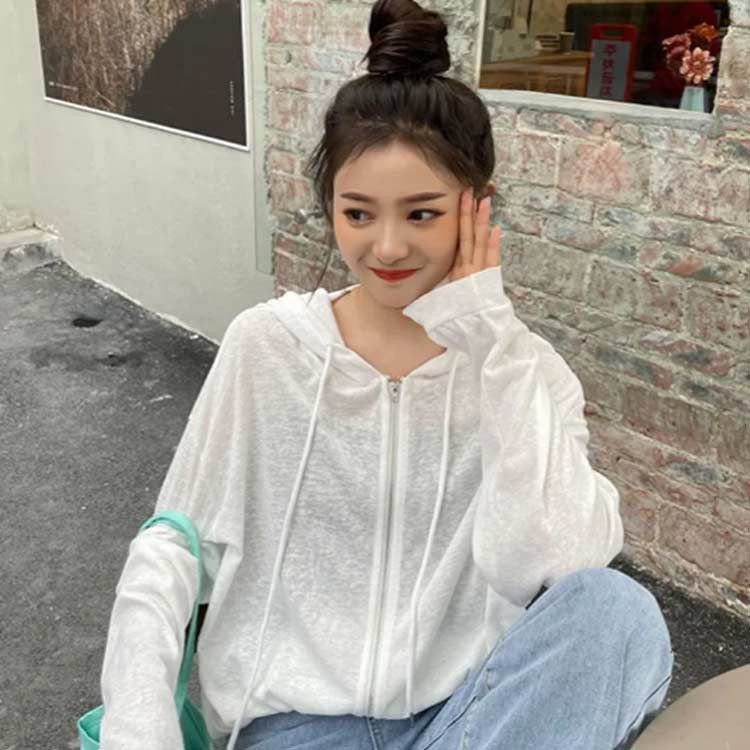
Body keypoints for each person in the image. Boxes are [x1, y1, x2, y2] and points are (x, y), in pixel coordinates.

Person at [98, 1, 674, 748]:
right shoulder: (267, 348)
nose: (388, 247)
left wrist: (492, 342)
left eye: (422, 214)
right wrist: (139, 730)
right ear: (330, 208)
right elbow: (174, 547)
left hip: (468, 719)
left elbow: (547, 564)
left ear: (477, 209)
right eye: (359, 214)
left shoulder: (524, 369)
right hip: (301, 728)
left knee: (615, 610)